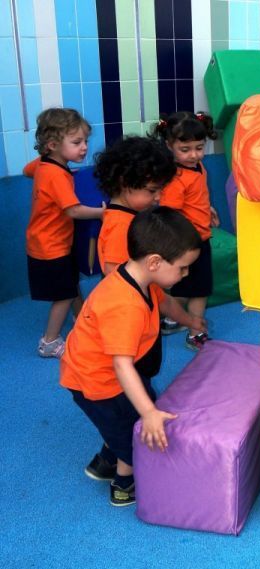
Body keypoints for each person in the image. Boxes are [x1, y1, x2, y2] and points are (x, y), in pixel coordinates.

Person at [60, 207, 206, 506]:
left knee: (135, 409)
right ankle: (124, 485)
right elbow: (121, 364)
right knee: (134, 433)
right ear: (154, 262)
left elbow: (166, 307)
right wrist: (149, 414)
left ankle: (103, 463)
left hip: (109, 371)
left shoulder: (142, 280)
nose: (186, 273)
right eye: (182, 268)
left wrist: (192, 320)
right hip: (97, 381)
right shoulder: (124, 305)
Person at [24, 108, 104, 358]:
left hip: (47, 241)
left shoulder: (46, 163)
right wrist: (103, 212)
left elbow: (29, 170)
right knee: (63, 294)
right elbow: (74, 212)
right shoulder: (56, 174)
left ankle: (81, 318)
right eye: (77, 142)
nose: (84, 148)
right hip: (51, 246)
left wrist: (60, 174)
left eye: (85, 141)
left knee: (70, 284)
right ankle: (49, 341)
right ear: (52, 145)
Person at [151, 111, 219, 350]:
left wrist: (206, 208)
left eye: (199, 147)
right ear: (170, 146)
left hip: (197, 235)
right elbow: (169, 214)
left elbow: (196, 196)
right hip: (191, 242)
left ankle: (170, 319)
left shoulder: (198, 167)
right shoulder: (177, 178)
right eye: (185, 149)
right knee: (200, 290)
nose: (194, 155)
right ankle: (195, 333)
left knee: (183, 284)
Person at [94, 136, 177, 274]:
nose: (158, 197)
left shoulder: (127, 216)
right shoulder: (121, 225)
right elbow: (115, 276)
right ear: (125, 182)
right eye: (152, 190)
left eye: (161, 190)